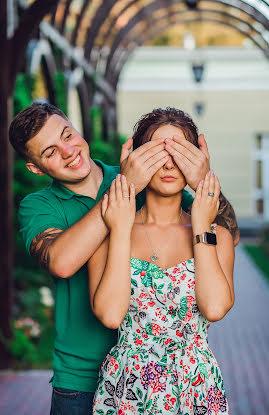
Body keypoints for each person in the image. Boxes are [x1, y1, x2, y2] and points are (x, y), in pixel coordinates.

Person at [9, 103, 238, 415]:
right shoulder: (43, 204)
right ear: (35, 168)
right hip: (83, 376)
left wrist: (203, 180)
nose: (67, 151)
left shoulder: (146, 179)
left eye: (67, 135)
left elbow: (221, 231)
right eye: (49, 152)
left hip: (186, 381)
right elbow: (61, 262)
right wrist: (124, 189)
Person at [90, 108, 234, 415]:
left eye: (180, 151)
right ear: (135, 158)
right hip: (128, 387)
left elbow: (215, 308)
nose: (169, 163)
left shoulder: (216, 234)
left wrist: (200, 223)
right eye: (157, 152)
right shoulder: (110, 232)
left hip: (196, 386)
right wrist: (119, 228)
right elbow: (111, 315)